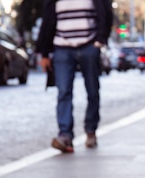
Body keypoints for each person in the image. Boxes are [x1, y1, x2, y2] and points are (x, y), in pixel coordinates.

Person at [36, 0, 113, 153]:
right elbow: (47, 20)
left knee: (92, 91)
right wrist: (44, 53)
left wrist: (100, 40)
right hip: (62, 47)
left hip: (89, 45)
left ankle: (91, 130)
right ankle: (65, 135)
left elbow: (107, 12)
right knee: (63, 91)